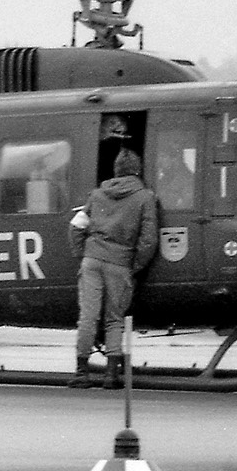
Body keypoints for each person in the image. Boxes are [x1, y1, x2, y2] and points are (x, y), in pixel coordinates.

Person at [68, 147, 159, 388]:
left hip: (92, 261)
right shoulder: (145, 197)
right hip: (120, 264)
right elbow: (148, 240)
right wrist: (134, 266)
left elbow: (76, 227)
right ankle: (110, 376)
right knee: (114, 319)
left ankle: (81, 373)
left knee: (88, 317)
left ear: (116, 171)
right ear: (138, 171)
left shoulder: (97, 195)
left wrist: (84, 254)